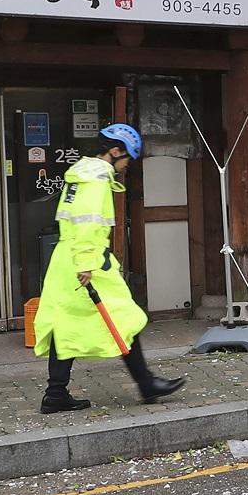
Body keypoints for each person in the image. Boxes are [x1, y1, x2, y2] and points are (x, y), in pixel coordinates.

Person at [34, 122, 185, 414]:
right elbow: (88, 223)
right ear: (115, 151)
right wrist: (88, 264)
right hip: (87, 263)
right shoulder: (96, 179)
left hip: (67, 260)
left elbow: (69, 220)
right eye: (127, 157)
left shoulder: (79, 175)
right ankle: (146, 384)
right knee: (126, 319)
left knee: (66, 325)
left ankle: (55, 394)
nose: (127, 165)